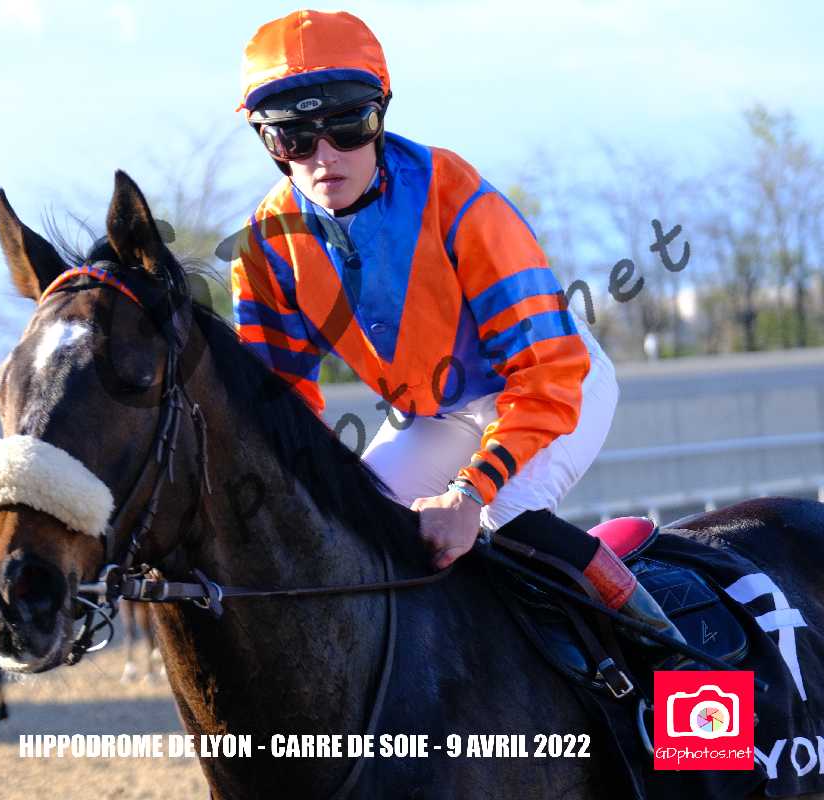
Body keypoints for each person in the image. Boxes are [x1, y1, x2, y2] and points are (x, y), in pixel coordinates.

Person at [231, 10, 689, 655]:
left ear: (380, 114)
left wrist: (470, 495)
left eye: (347, 125)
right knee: (350, 534)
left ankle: (675, 663)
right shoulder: (265, 248)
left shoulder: (458, 197)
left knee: (504, 525)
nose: (325, 155)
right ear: (266, 141)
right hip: (435, 415)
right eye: (294, 137)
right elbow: (280, 410)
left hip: (554, 388)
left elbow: (547, 372)